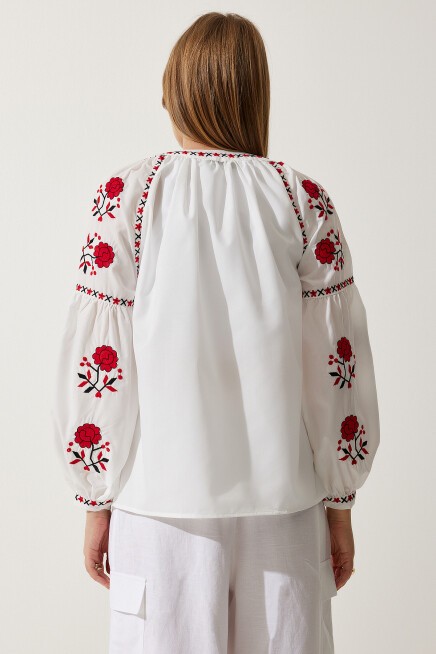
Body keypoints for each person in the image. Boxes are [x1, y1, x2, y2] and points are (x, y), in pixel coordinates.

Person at [51, 11, 380, 654]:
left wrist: (96, 497)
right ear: (256, 94)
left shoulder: (127, 195)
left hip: (158, 511)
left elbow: (101, 360)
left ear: (175, 91)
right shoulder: (303, 201)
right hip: (287, 510)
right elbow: (336, 364)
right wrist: (340, 503)